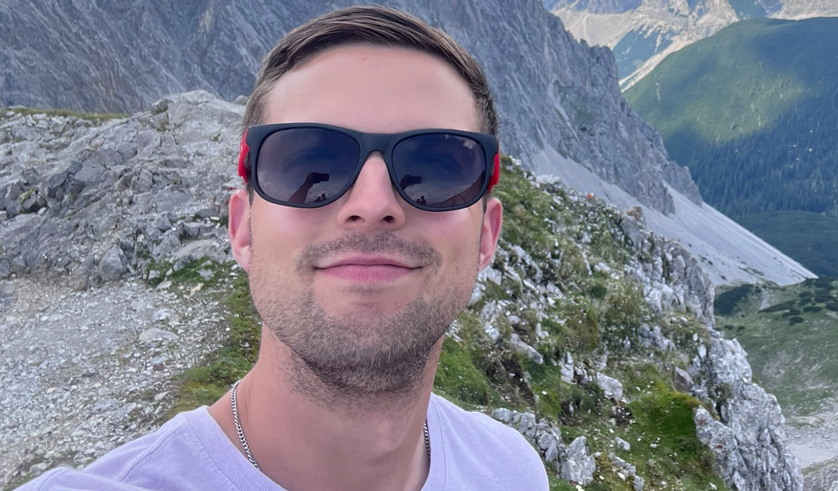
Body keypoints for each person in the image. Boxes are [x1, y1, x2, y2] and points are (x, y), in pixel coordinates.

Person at [20, 5, 549, 490]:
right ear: (242, 230)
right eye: (306, 163)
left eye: (434, 167)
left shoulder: (512, 471)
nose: (372, 202)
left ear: (486, 236)